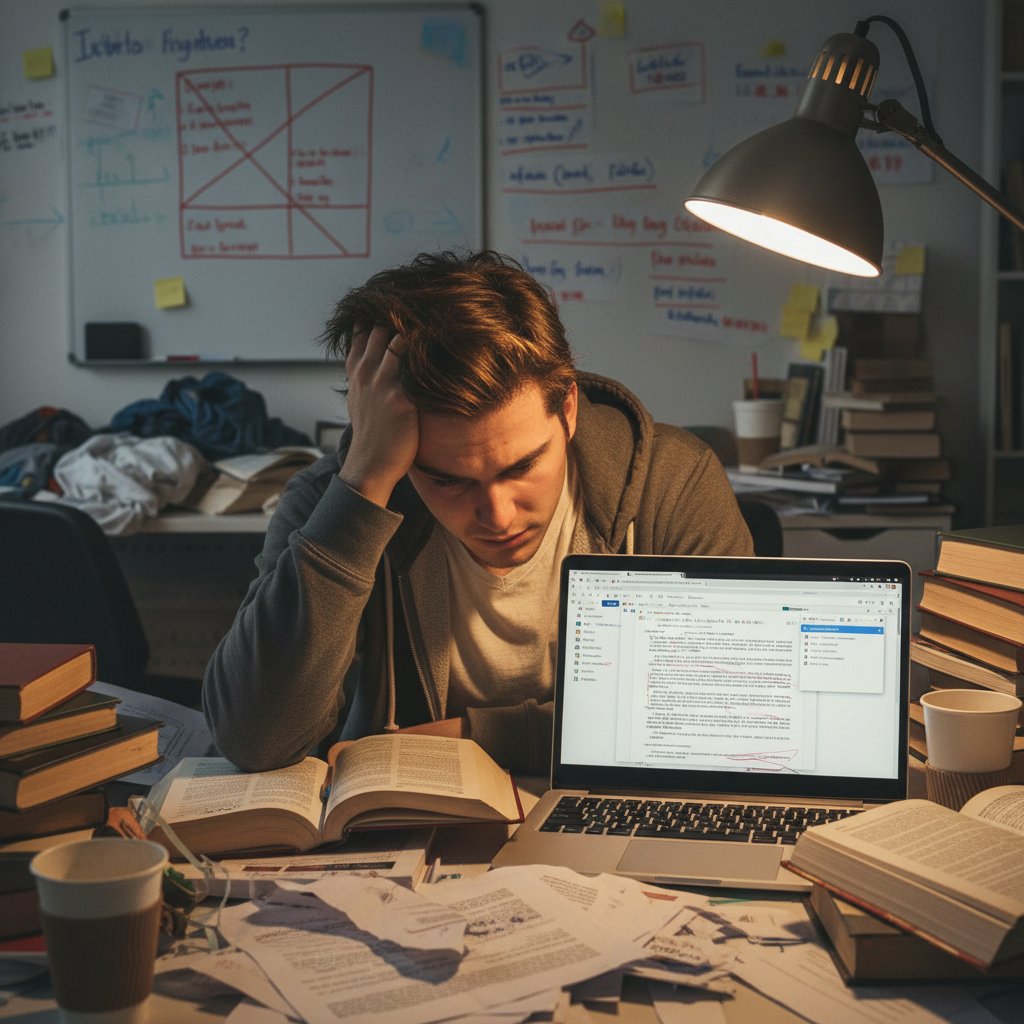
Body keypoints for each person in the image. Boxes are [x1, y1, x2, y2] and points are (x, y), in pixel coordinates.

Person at [203, 250, 753, 776]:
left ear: (567, 407)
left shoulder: (673, 481)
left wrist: (477, 738)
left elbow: (729, 715)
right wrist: (363, 485)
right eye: (446, 479)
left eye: (521, 467)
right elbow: (256, 740)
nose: (496, 514)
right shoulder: (334, 501)